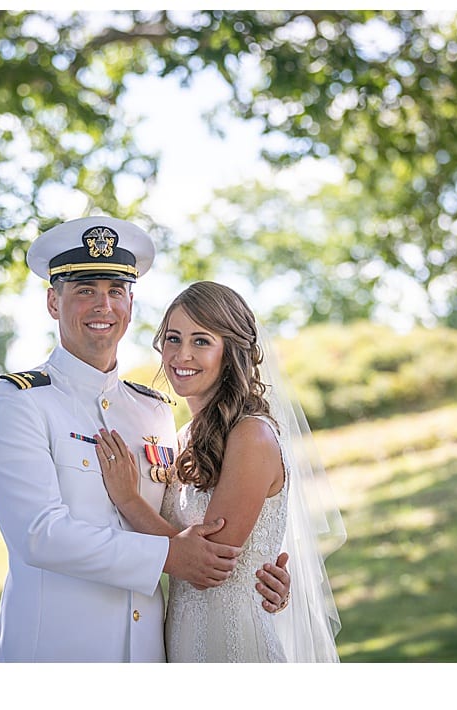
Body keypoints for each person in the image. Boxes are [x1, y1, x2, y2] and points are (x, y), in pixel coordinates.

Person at [0, 217, 291, 662]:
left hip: (153, 654)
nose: (103, 305)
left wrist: (261, 571)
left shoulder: (154, 411)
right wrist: (170, 558)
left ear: (130, 303)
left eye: (115, 291)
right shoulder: (17, 404)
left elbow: (201, 522)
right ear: (52, 301)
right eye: (84, 289)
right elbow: (39, 535)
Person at [96, 280, 345, 662]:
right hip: (181, 642)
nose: (181, 355)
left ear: (230, 352)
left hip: (235, 647)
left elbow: (207, 561)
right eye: (173, 338)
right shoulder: (181, 439)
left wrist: (129, 500)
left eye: (201, 341)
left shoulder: (252, 434)